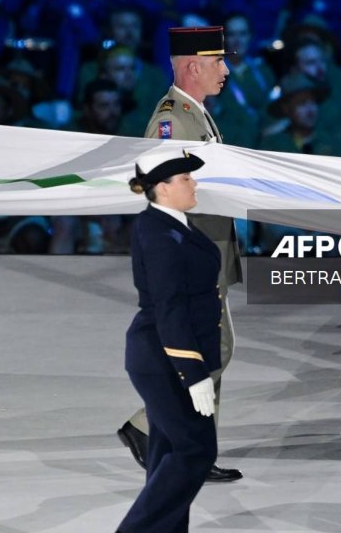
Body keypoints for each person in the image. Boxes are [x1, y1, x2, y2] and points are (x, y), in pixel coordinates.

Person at [120, 25, 242, 483]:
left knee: (212, 348)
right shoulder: (173, 121)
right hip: (193, 255)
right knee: (213, 349)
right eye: (218, 62)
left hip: (206, 250)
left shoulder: (195, 114)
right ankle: (150, 429)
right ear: (193, 66)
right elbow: (164, 191)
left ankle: (185, 445)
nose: (226, 70)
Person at [118, 148, 221, 532]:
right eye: (185, 179)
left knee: (167, 451)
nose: (194, 183)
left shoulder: (170, 224)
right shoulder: (161, 233)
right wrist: (192, 372)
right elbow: (169, 307)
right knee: (194, 450)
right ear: (162, 187)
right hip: (165, 356)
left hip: (164, 352)